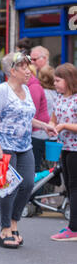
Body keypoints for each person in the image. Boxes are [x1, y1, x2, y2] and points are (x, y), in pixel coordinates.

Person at [0, 52, 57, 248]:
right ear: (12, 71)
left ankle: (14, 222)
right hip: (5, 146)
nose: (29, 71)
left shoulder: (26, 89)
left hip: (25, 145)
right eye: (24, 67)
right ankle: (5, 229)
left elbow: (26, 117)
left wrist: (44, 126)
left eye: (29, 67)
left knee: (27, 184)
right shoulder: (2, 91)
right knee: (9, 188)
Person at [49, 63, 77, 241]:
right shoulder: (59, 98)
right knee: (69, 186)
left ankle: (73, 229)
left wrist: (65, 125)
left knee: (74, 188)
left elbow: (65, 123)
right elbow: (53, 119)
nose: (55, 83)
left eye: (58, 80)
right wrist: (50, 127)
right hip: (64, 148)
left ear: (69, 80)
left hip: (75, 149)